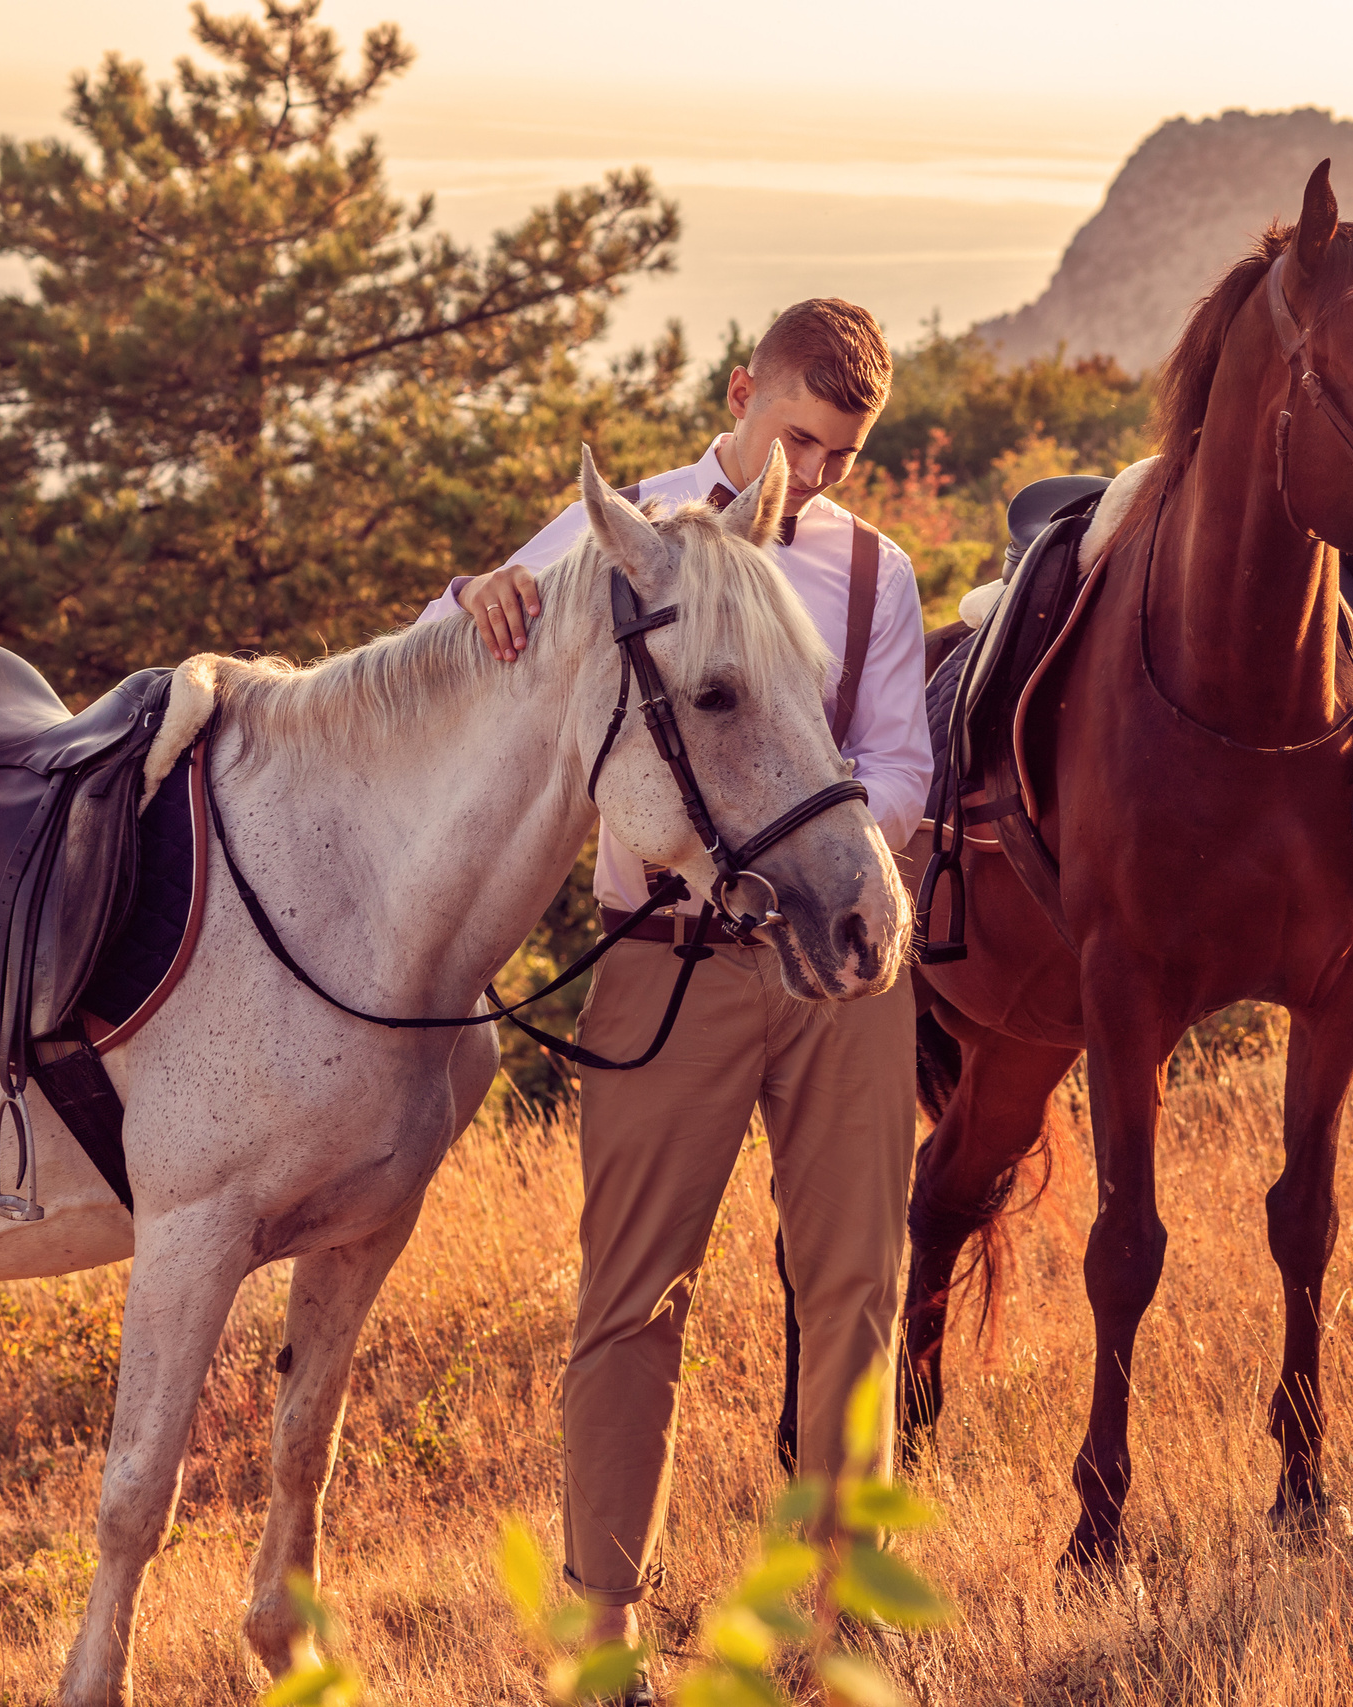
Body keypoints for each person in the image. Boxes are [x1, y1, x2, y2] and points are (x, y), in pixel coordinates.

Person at [415, 300, 932, 1667]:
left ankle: (839, 1628)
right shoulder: (621, 535)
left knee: (854, 1289)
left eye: (841, 454)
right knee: (632, 1297)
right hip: (661, 967)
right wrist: (486, 597)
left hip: (841, 971)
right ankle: (605, 1636)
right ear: (742, 393)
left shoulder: (876, 576)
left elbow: (904, 765)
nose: (812, 475)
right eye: (799, 438)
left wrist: (808, 849)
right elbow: (448, 637)